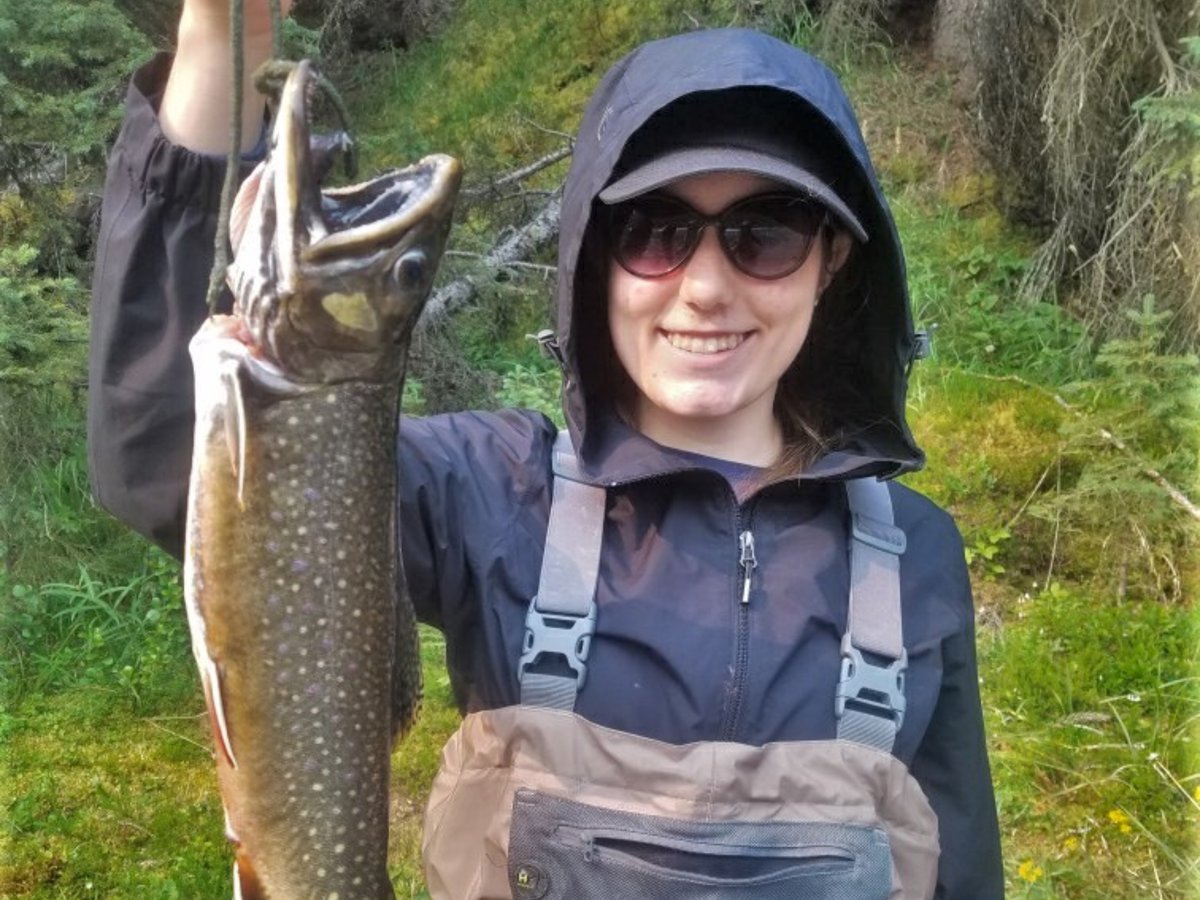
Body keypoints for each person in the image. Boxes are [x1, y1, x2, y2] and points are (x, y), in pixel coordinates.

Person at [87, 2, 1005, 896]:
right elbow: (167, 453)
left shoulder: (914, 558)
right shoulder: (491, 492)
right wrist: (225, 33)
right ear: (597, 257)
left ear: (832, 259)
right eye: (657, 232)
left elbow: (961, 864)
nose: (706, 287)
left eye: (765, 234)